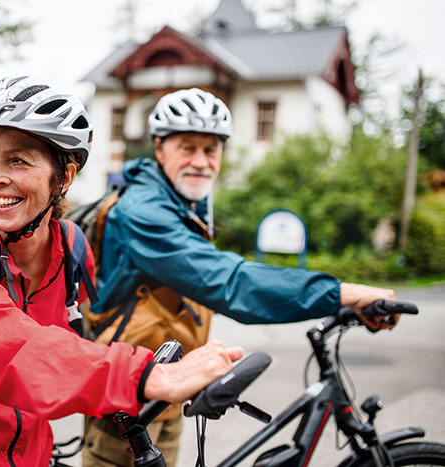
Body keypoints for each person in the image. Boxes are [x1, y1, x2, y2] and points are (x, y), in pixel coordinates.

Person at [0, 76, 245, 467]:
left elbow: (69, 345)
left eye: (17, 159)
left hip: (28, 456)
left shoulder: (72, 249)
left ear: (63, 178)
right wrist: (146, 376)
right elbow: (6, 344)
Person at [81, 87, 399, 467]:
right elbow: (231, 282)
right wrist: (344, 293)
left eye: (211, 149)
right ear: (159, 148)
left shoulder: (182, 203)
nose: (201, 161)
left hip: (165, 392)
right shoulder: (143, 212)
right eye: (187, 147)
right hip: (127, 402)